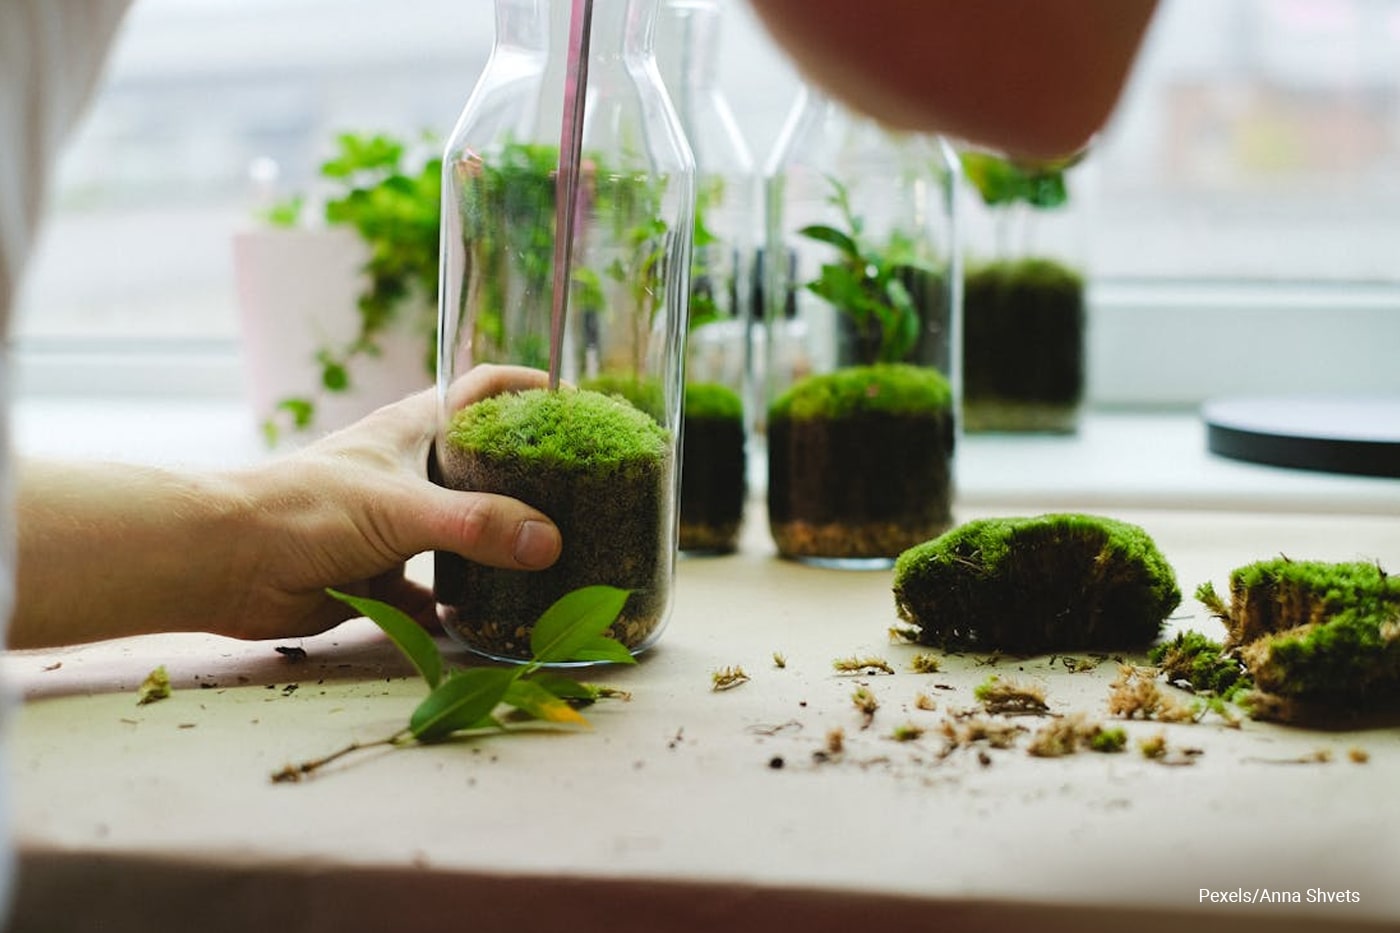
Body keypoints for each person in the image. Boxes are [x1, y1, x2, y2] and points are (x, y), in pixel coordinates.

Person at [1, 0, 1158, 650]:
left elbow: (1024, 82)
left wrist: (244, 533)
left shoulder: (636, 94)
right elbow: (1031, 72)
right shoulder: (509, 90)